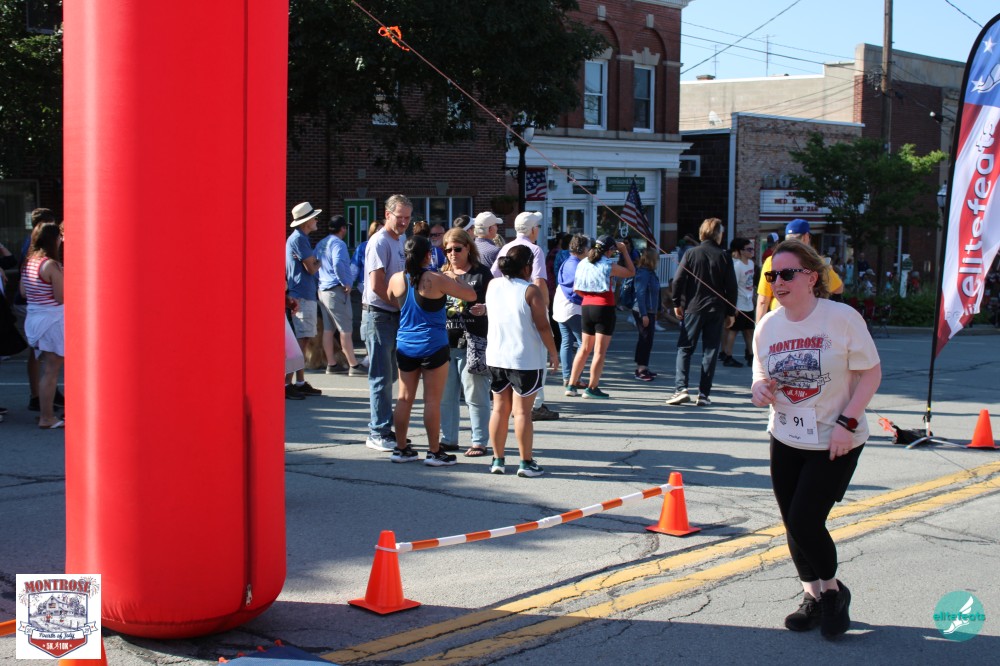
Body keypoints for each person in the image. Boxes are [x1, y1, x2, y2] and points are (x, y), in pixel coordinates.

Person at [750, 239, 881, 639]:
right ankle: (812, 595)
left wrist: (847, 421)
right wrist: (759, 388)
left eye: (787, 274)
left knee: (806, 520)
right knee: (792, 522)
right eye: (772, 275)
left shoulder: (841, 318)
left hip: (835, 438)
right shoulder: (768, 325)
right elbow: (759, 373)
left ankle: (833, 592)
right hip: (786, 436)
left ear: (811, 277)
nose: (778, 282)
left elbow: (871, 373)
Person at [386, 235, 476, 466]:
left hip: (405, 343)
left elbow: (390, 298)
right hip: (433, 345)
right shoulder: (436, 278)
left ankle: (401, 448)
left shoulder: (397, 278)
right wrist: (455, 277)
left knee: (404, 398)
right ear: (428, 255)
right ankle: (434, 452)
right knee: (432, 401)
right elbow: (471, 295)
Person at [485, 245, 559, 477]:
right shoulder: (530, 290)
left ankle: (497, 460)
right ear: (527, 267)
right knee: (522, 413)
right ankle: (526, 462)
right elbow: (543, 326)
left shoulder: (493, 285)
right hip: (525, 358)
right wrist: (553, 352)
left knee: (499, 409)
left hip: (496, 356)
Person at [492, 211, 559, 421]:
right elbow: (539, 280)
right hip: (528, 301)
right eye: (537, 227)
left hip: (506, 305)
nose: (537, 230)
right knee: (535, 354)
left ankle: (523, 401)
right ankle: (535, 404)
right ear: (532, 230)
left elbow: (494, 274)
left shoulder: (506, 247)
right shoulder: (534, 249)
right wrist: (544, 306)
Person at [666, 217, 737, 407]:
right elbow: (731, 287)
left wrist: (676, 302)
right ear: (717, 234)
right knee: (710, 351)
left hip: (693, 307)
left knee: (685, 348)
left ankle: (681, 388)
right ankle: (704, 394)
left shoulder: (691, 253)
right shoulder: (724, 256)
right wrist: (731, 312)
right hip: (716, 309)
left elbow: (678, 279)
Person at [362, 194, 412, 452]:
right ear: (387, 214)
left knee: (389, 375)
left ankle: (385, 427)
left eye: (407, 218)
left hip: (393, 314)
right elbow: (377, 285)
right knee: (381, 377)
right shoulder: (379, 241)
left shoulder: (400, 239)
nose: (403, 222)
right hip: (379, 315)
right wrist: (401, 306)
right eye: (399, 217)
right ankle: (378, 432)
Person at [439, 228, 494, 457]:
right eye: (448, 250)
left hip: (474, 342)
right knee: (446, 397)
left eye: (457, 249)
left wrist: (486, 309)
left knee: (475, 396)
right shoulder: (441, 273)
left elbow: (497, 303)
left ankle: (479, 441)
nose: (452, 253)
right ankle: (448, 439)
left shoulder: (482, 274)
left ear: (468, 248)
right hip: (445, 343)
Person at [567, 234, 635, 399]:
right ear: (610, 250)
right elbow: (631, 272)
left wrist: (588, 297)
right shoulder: (608, 265)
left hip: (586, 305)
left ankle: (571, 384)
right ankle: (592, 387)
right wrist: (624, 251)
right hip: (604, 306)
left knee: (584, 348)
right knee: (599, 351)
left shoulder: (583, 263)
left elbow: (576, 289)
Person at [12, 208, 63, 413]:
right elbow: (61, 298)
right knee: (51, 370)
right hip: (51, 320)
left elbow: (23, 291)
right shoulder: (51, 265)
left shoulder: (29, 262)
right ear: (53, 240)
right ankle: (47, 415)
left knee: (44, 364)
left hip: (34, 318)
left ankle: (41, 406)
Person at [756, 220, 843, 323]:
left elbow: (763, 301)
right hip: (811, 319)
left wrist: (759, 327)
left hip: (780, 317)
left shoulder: (772, 260)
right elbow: (838, 289)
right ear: (806, 237)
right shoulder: (817, 262)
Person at [316, 215, 364, 375]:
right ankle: (353, 365)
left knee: (328, 329)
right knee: (345, 329)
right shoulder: (339, 244)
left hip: (323, 290)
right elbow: (337, 263)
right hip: (335, 290)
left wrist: (320, 280)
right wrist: (345, 283)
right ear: (343, 228)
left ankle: (331, 364)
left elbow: (315, 264)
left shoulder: (321, 243)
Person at [285, 202, 323, 399]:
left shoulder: (298, 238)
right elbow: (311, 268)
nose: (316, 220)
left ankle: (298, 382)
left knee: (303, 339)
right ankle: (287, 383)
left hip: (302, 293)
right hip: (302, 294)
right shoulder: (299, 239)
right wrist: (320, 260)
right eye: (314, 217)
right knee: (301, 341)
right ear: (306, 221)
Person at [553, 234, 588, 392]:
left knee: (566, 342)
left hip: (561, 306)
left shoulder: (567, 261)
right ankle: (574, 379)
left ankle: (568, 377)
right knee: (583, 344)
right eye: (588, 247)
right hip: (573, 307)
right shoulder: (577, 265)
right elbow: (577, 289)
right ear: (583, 249)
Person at [720, 238, 756, 368]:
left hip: (748, 303)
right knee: (733, 331)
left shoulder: (751, 264)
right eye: (749, 249)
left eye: (752, 249)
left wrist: (753, 298)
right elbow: (732, 287)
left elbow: (750, 284)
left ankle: (751, 355)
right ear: (741, 251)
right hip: (739, 304)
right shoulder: (737, 266)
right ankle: (728, 356)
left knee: (749, 331)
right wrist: (733, 306)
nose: (752, 251)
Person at [631, 246, 661, 381]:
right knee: (645, 339)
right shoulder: (643, 273)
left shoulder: (651, 273)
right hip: (643, 310)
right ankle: (641, 369)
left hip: (650, 310)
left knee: (647, 339)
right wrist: (644, 314)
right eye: (657, 258)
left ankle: (643, 367)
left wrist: (655, 310)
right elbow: (641, 294)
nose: (658, 261)